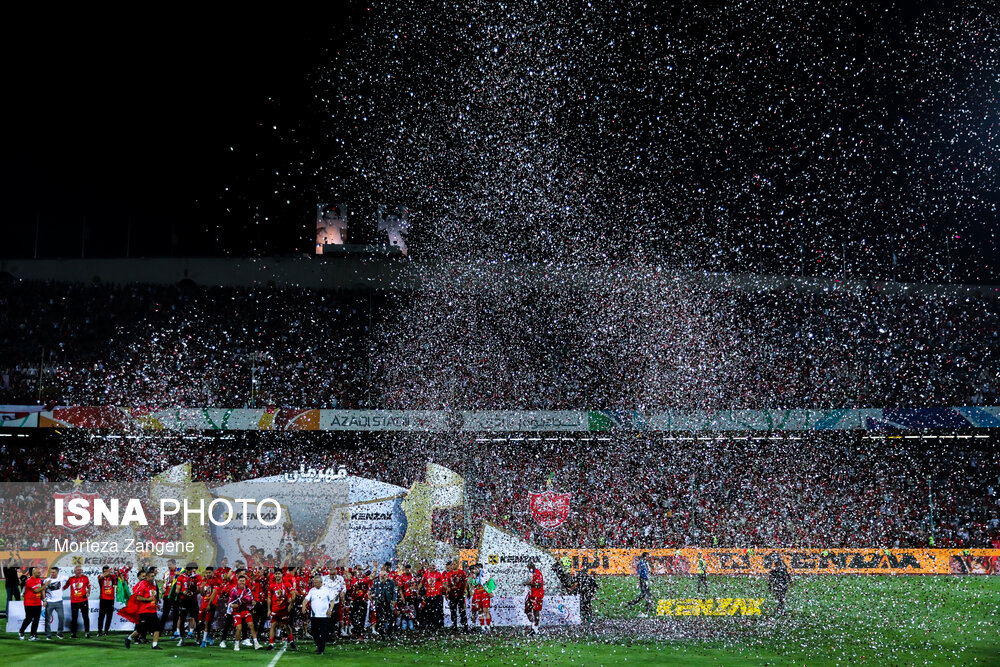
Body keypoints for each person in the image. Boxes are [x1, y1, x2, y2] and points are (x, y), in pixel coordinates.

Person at [125, 569, 163, 650]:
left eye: (154, 576)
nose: (153, 578)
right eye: (152, 576)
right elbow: (138, 597)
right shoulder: (142, 585)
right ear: (147, 577)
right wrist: (148, 600)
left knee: (157, 628)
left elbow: (153, 597)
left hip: (152, 610)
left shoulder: (153, 586)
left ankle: (154, 645)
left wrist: (155, 603)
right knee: (141, 629)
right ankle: (129, 638)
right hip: (144, 610)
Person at [226, 573, 262, 651]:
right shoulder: (234, 590)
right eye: (240, 581)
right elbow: (230, 602)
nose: (242, 582)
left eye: (243, 581)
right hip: (237, 611)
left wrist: (253, 602)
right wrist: (233, 605)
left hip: (245, 610)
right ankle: (236, 644)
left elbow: (251, 600)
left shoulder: (248, 590)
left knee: (251, 625)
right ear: (237, 581)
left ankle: (256, 643)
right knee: (239, 628)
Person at [302, 575, 335, 655]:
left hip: (324, 616)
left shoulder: (327, 590)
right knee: (314, 633)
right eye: (314, 582)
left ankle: (321, 649)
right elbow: (306, 599)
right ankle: (319, 646)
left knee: (323, 633)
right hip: (314, 616)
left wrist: (330, 609)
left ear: (321, 582)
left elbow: (332, 601)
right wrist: (304, 606)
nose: (314, 584)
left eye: (316, 582)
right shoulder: (312, 590)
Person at [266, 569, 297, 650]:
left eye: (279, 574)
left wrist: (291, 603)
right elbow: (269, 598)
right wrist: (269, 610)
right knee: (273, 625)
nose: (277, 575)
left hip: (284, 609)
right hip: (275, 609)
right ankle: (271, 644)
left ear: (282, 575)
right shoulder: (272, 585)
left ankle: (291, 641)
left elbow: (293, 593)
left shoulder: (286, 584)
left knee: (286, 625)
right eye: (276, 574)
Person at [64, 565, 91, 638]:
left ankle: (87, 633)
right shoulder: (71, 579)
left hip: (83, 600)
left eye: (80, 570)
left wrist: (88, 592)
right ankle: (73, 633)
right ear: (74, 571)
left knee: (85, 617)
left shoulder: (85, 578)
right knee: (74, 618)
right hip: (74, 601)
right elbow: (65, 587)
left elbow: (89, 587)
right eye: (78, 570)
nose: (79, 571)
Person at [18, 565, 44, 640]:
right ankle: (21, 631)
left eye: (40, 572)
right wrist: (45, 585)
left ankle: (32, 635)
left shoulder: (39, 579)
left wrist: (44, 600)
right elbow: (36, 590)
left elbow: (41, 590)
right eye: (38, 573)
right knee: (29, 618)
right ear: (33, 573)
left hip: (37, 602)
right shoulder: (29, 581)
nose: (40, 574)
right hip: (29, 603)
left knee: (36, 619)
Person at [371, 569, 398, 638]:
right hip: (379, 603)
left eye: (383, 576)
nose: (382, 577)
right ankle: (382, 634)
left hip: (388, 602)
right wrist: (373, 597)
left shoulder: (390, 582)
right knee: (380, 619)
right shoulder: (376, 582)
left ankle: (390, 634)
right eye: (381, 575)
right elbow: (372, 591)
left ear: (386, 576)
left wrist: (393, 600)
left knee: (390, 619)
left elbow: (394, 592)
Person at [43, 566, 67, 640]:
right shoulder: (47, 580)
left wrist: (65, 587)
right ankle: (48, 635)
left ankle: (59, 633)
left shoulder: (62, 578)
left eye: (53, 572)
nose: (52, 574)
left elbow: (70, 580)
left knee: (61, 617)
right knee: (47, 619)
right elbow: (43, 590)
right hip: (49, 602)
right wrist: (44, 600)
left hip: (59, 601)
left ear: (57, 572)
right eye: (51, 572)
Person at [626, 552, 653, 616]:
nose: (648, 557)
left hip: (645, 579)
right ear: (644, 557)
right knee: (646, 593)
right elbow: (639, 573)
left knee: (645, 594)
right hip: (642, 580)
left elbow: (646, 572)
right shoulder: (641, 563)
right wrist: (638, 581)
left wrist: (650, 578)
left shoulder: (644, 562)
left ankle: (633, 603)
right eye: (647, 556)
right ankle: (648, 607)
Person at [445, 560, 468, 631]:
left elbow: (465, 582)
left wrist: (466, 590)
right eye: (452, 564)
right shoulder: (449, 574)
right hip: (452, 594)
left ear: (457, 564)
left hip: (460, 594)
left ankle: (465, 626)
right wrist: (447, 592)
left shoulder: (462, 572)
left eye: (455, 564)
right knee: (453, 610)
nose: (454, 566)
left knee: (462, 610)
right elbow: (447, 584)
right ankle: (454, 625)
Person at [469, 564, 493, 632]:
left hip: (484, 593)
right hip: (477, 594)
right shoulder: (474, 576)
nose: (473, 572)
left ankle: (488, 626)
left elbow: (490, 582)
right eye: (472, 571)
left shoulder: (485, 573)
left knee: (486, 611)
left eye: (474, 570)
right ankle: (482, 627)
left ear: (477, 568)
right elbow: (474, 585)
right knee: (480, 611)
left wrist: (490, 591)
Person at [523, 562, 544, 634]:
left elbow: (539, 584)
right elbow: (534, 583)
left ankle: (535, 628)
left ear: (533, 567)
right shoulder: (534, 574)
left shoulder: (538, 574)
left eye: (530, 569)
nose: (529, 570)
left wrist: (528, 584)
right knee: (527, 610)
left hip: (537, 595)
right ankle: (533, 626)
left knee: (536, 611)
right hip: (532, 595)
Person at [2, 548, 23, 620]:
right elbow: (10, 565)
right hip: (9, 585)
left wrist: (18, 555)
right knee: (9, 599)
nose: (15, 563)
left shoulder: (14, 566)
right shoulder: (6, 567)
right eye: (14, 561)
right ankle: (7, 614)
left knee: (18, 599)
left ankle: (19, 612)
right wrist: (13, 557)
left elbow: (22, 563)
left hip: (15, 585)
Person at [97, 566, 118, 636]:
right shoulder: (100, 577)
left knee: (109, 616)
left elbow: (116, 585)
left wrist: (116, 572)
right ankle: (99, 631)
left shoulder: (112, 577)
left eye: (107, 571)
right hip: (103, 599)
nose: (107, 573)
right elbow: (102, 576)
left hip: (111, 599)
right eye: (105, 571)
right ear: (103, 572)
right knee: (101, 616)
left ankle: (106, 631)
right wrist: (110, 570)